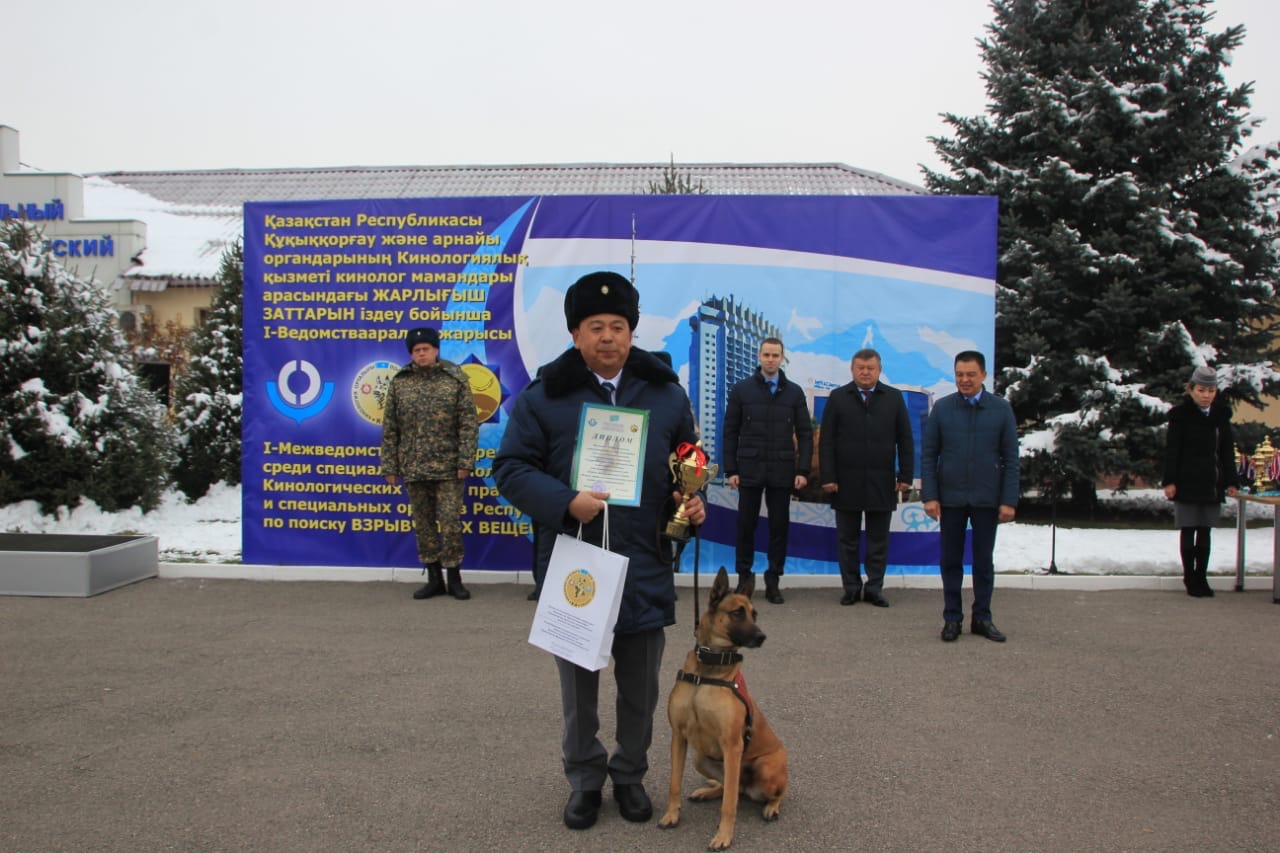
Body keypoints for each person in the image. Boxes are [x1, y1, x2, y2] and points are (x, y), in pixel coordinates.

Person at [493, 271, 705, 832]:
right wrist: (567, 502)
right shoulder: (545, 397)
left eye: (618, 326)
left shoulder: (665, 395)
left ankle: (630, 775)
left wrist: (690, 503)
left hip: (644, 564)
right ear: (575, 334)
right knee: (579, 690)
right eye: (596, 327)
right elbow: (509, 469)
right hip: (576, 564)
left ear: (631, 334)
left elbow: (687, 461)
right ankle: (585, 781)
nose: (608, 336)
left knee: (640, 688)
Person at [921, 351, 1019, 643]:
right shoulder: (942, 408)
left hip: (987, 499)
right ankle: (952, 618)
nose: (964, 380)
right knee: (950, 560)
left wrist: (1008, 500)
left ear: (984, 376)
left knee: (983, 561)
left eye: (971, 374)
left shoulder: (1001, 409)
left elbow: (1011, 458)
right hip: (950, 499)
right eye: (960, 374)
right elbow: (929, 455)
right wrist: (930, 496)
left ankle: (982, 618)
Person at [379, 326, 478, 601]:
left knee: (450, 522)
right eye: (416, 350)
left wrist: (465, 460)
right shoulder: (400, 382)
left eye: (426, 349)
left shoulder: (455, 379)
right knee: (423, 524)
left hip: (448, 467)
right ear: (411, 354)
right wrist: (390, 466)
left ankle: (454, 578)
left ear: (436, 350)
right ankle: (434, 578)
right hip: (413, 466)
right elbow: (391, 428)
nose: (421, 354)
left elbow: (468, 424)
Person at [819, 348, 914, 607]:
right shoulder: (838, 397)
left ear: (879, 370)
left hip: (881, 481)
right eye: (860, 367)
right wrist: (828, 476)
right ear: (852, 369)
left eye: (870, 368)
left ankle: (874, 588)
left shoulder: (893, 398)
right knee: (847, 540)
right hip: (845, 481)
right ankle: (850, 587)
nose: (865, 372)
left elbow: (905, 439)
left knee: (878, 540)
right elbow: (826, 441)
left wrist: (906, 475)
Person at [721, 337, 813, 604]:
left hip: (783, 470)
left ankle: (773, 580)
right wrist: (731, 470)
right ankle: (743, 578)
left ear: (782, 358)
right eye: (766, 355)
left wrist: (803, 469)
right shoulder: (741, 390)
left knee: (779, 527)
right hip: (749, 468)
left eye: (775, 355)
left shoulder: (794, 392)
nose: (770, 359)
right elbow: (730, 432)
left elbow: (805, 434)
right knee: (745, 525)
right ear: (759, 356)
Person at [1162, 365, 1240, 597]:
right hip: (1186, 482)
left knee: (1205, 531)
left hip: (1211, 482)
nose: (1206, 395)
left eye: (1211, 390)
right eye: (1201, 390)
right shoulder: (1180, 416)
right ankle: (1189, 578)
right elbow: (1172, 451)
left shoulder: (1220, 417)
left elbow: (1226, 451)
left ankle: (1202, 577)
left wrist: (1231, 480)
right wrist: (1170, 481)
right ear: (1191, 390)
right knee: (1188, 529)